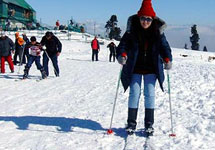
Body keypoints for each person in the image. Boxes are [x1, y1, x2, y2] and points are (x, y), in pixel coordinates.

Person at [116, 0, 172, 136]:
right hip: (134, 67)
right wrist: (122, 54)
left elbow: (165, 47)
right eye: (143, 18)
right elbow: (122, 45)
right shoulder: (131, 31)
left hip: (151, 69)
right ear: (139, 18)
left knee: (150, 94)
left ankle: (149, 124)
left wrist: (167, 58)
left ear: (152, 19)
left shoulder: (158, 32)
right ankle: (131, 123)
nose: (145, 21)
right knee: (134, 94)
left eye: (148, 19)